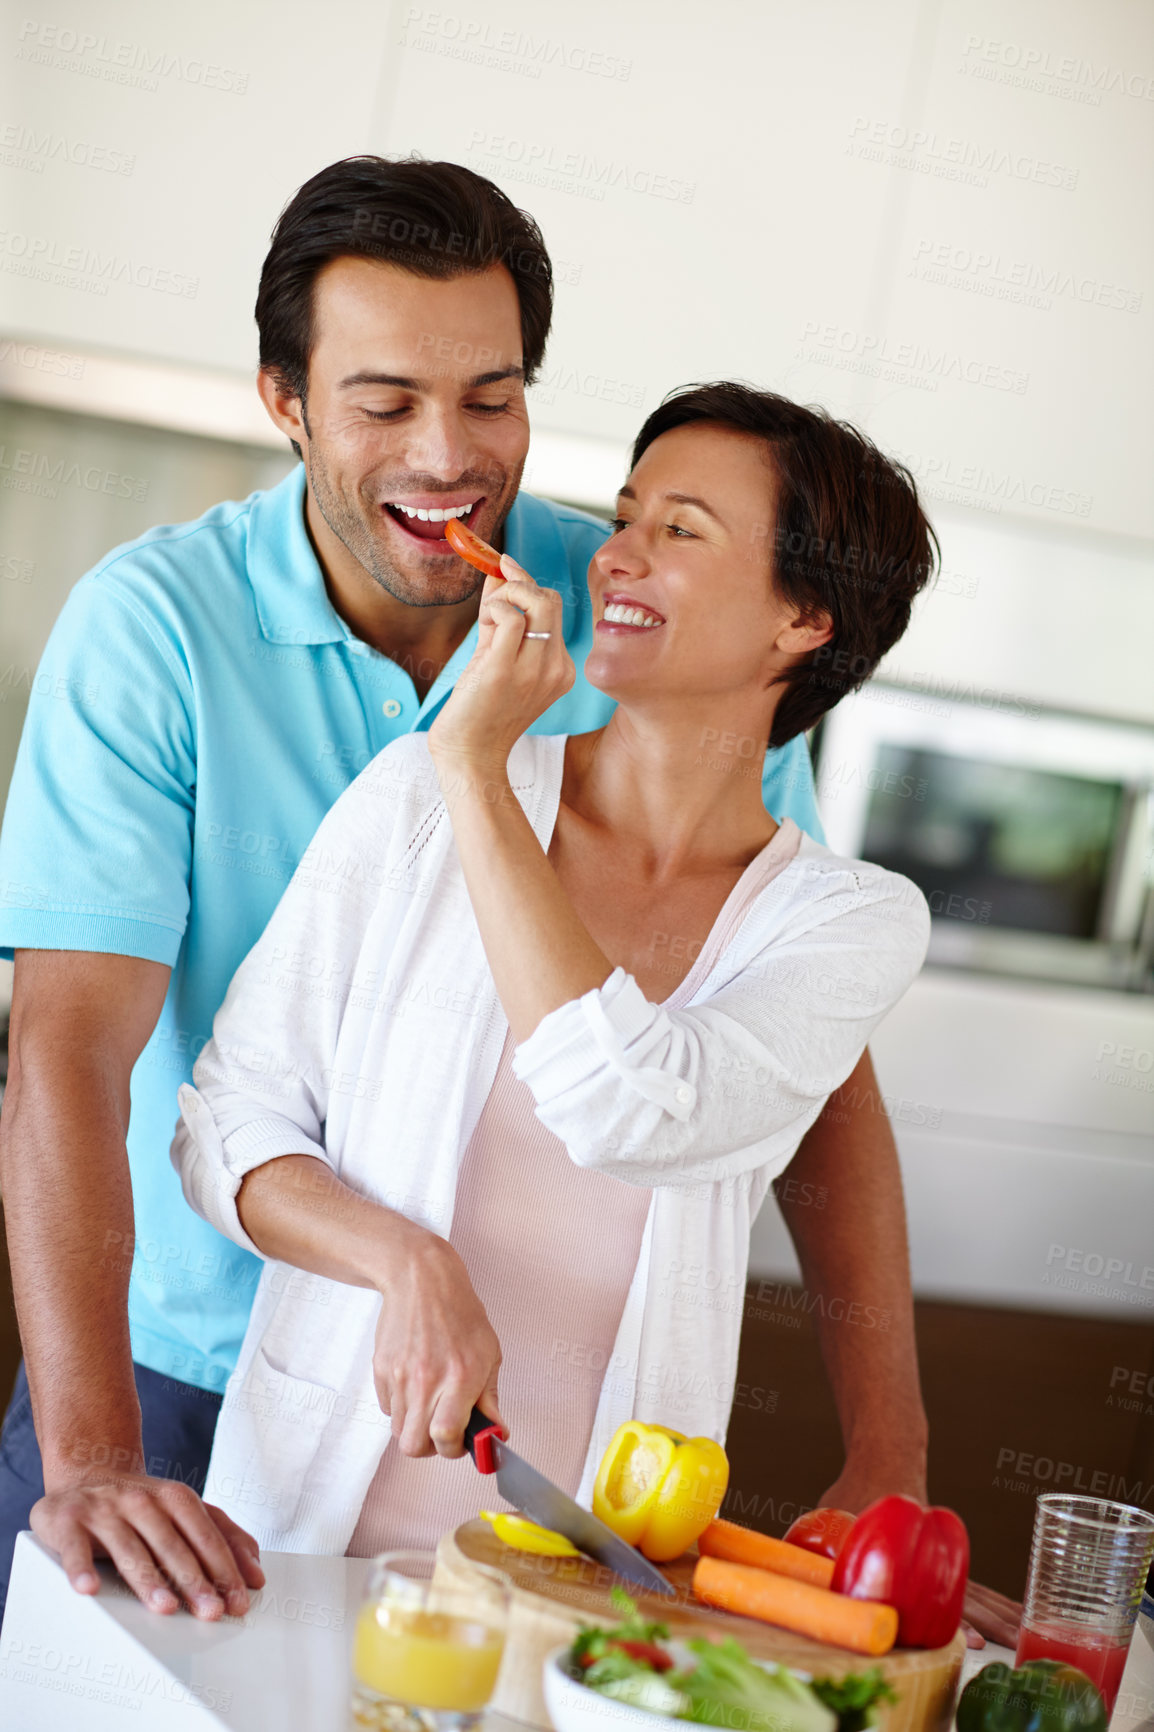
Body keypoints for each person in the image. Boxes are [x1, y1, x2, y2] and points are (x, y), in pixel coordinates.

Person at [0, 155, 1015, 1645]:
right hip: (164, 1342)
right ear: (285, 400)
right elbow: (70, 1054)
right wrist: (95, 1452)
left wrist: (890, 1459)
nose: (448, 456)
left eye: (492, 395)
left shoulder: (619, 617)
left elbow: (793, 1066)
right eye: (384, 401)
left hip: (535, 1469)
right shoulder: (157, 631)